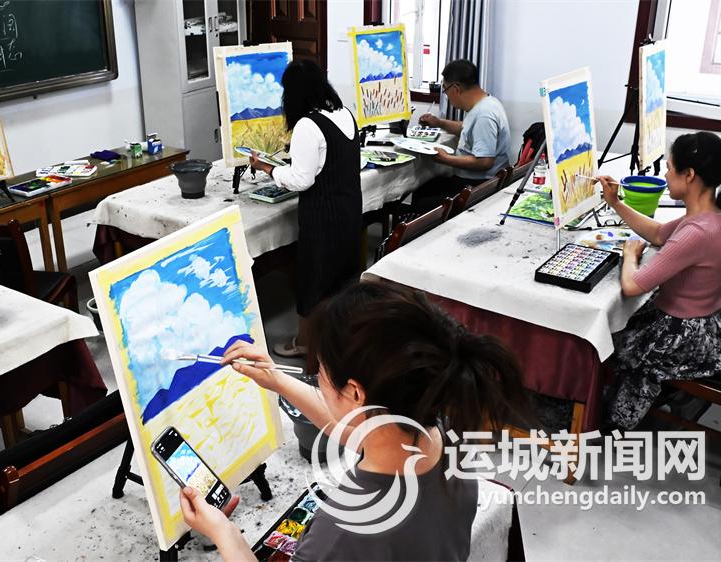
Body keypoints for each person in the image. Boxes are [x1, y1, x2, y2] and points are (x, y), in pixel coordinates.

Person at [178, 281, 529, 561]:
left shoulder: (342, 532)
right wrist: (277, 379)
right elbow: (361, 429)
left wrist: (224, 532)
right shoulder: (442, 431)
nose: (315, 378)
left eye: (320, 371)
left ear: (356, 392)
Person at [597, 132, 721, 429]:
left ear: (688, 175)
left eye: (669, 168)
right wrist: (616, 203)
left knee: (616, 345)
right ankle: (676, 394)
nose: (665, 175)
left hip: (689, 334)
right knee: (625, 328)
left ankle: (615, 423)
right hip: (714, 323)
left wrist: (630, 256)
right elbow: (657, 233)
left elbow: (632, 286)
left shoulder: (697, 232)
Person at [247, 59, 362, 358]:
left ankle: (305, 344)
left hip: (322, 217)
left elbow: (301, 180)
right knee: (342, 278)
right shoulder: (344, 113)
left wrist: (267, 168)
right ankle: (338, 340)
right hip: (349, 210)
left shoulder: (308, 125)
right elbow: (330, 159)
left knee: (313, 280)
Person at [412, 59, 511, 214]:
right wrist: (439, 122)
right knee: (423, 188)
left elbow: (484, 161)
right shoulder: (487, 102)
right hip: (480, 180)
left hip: (478, 184)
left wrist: (445, 159)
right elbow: (468, 129)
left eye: (445, 90)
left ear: (456, 88)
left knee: (422, 200)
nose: (447, 96)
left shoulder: (484, 115)